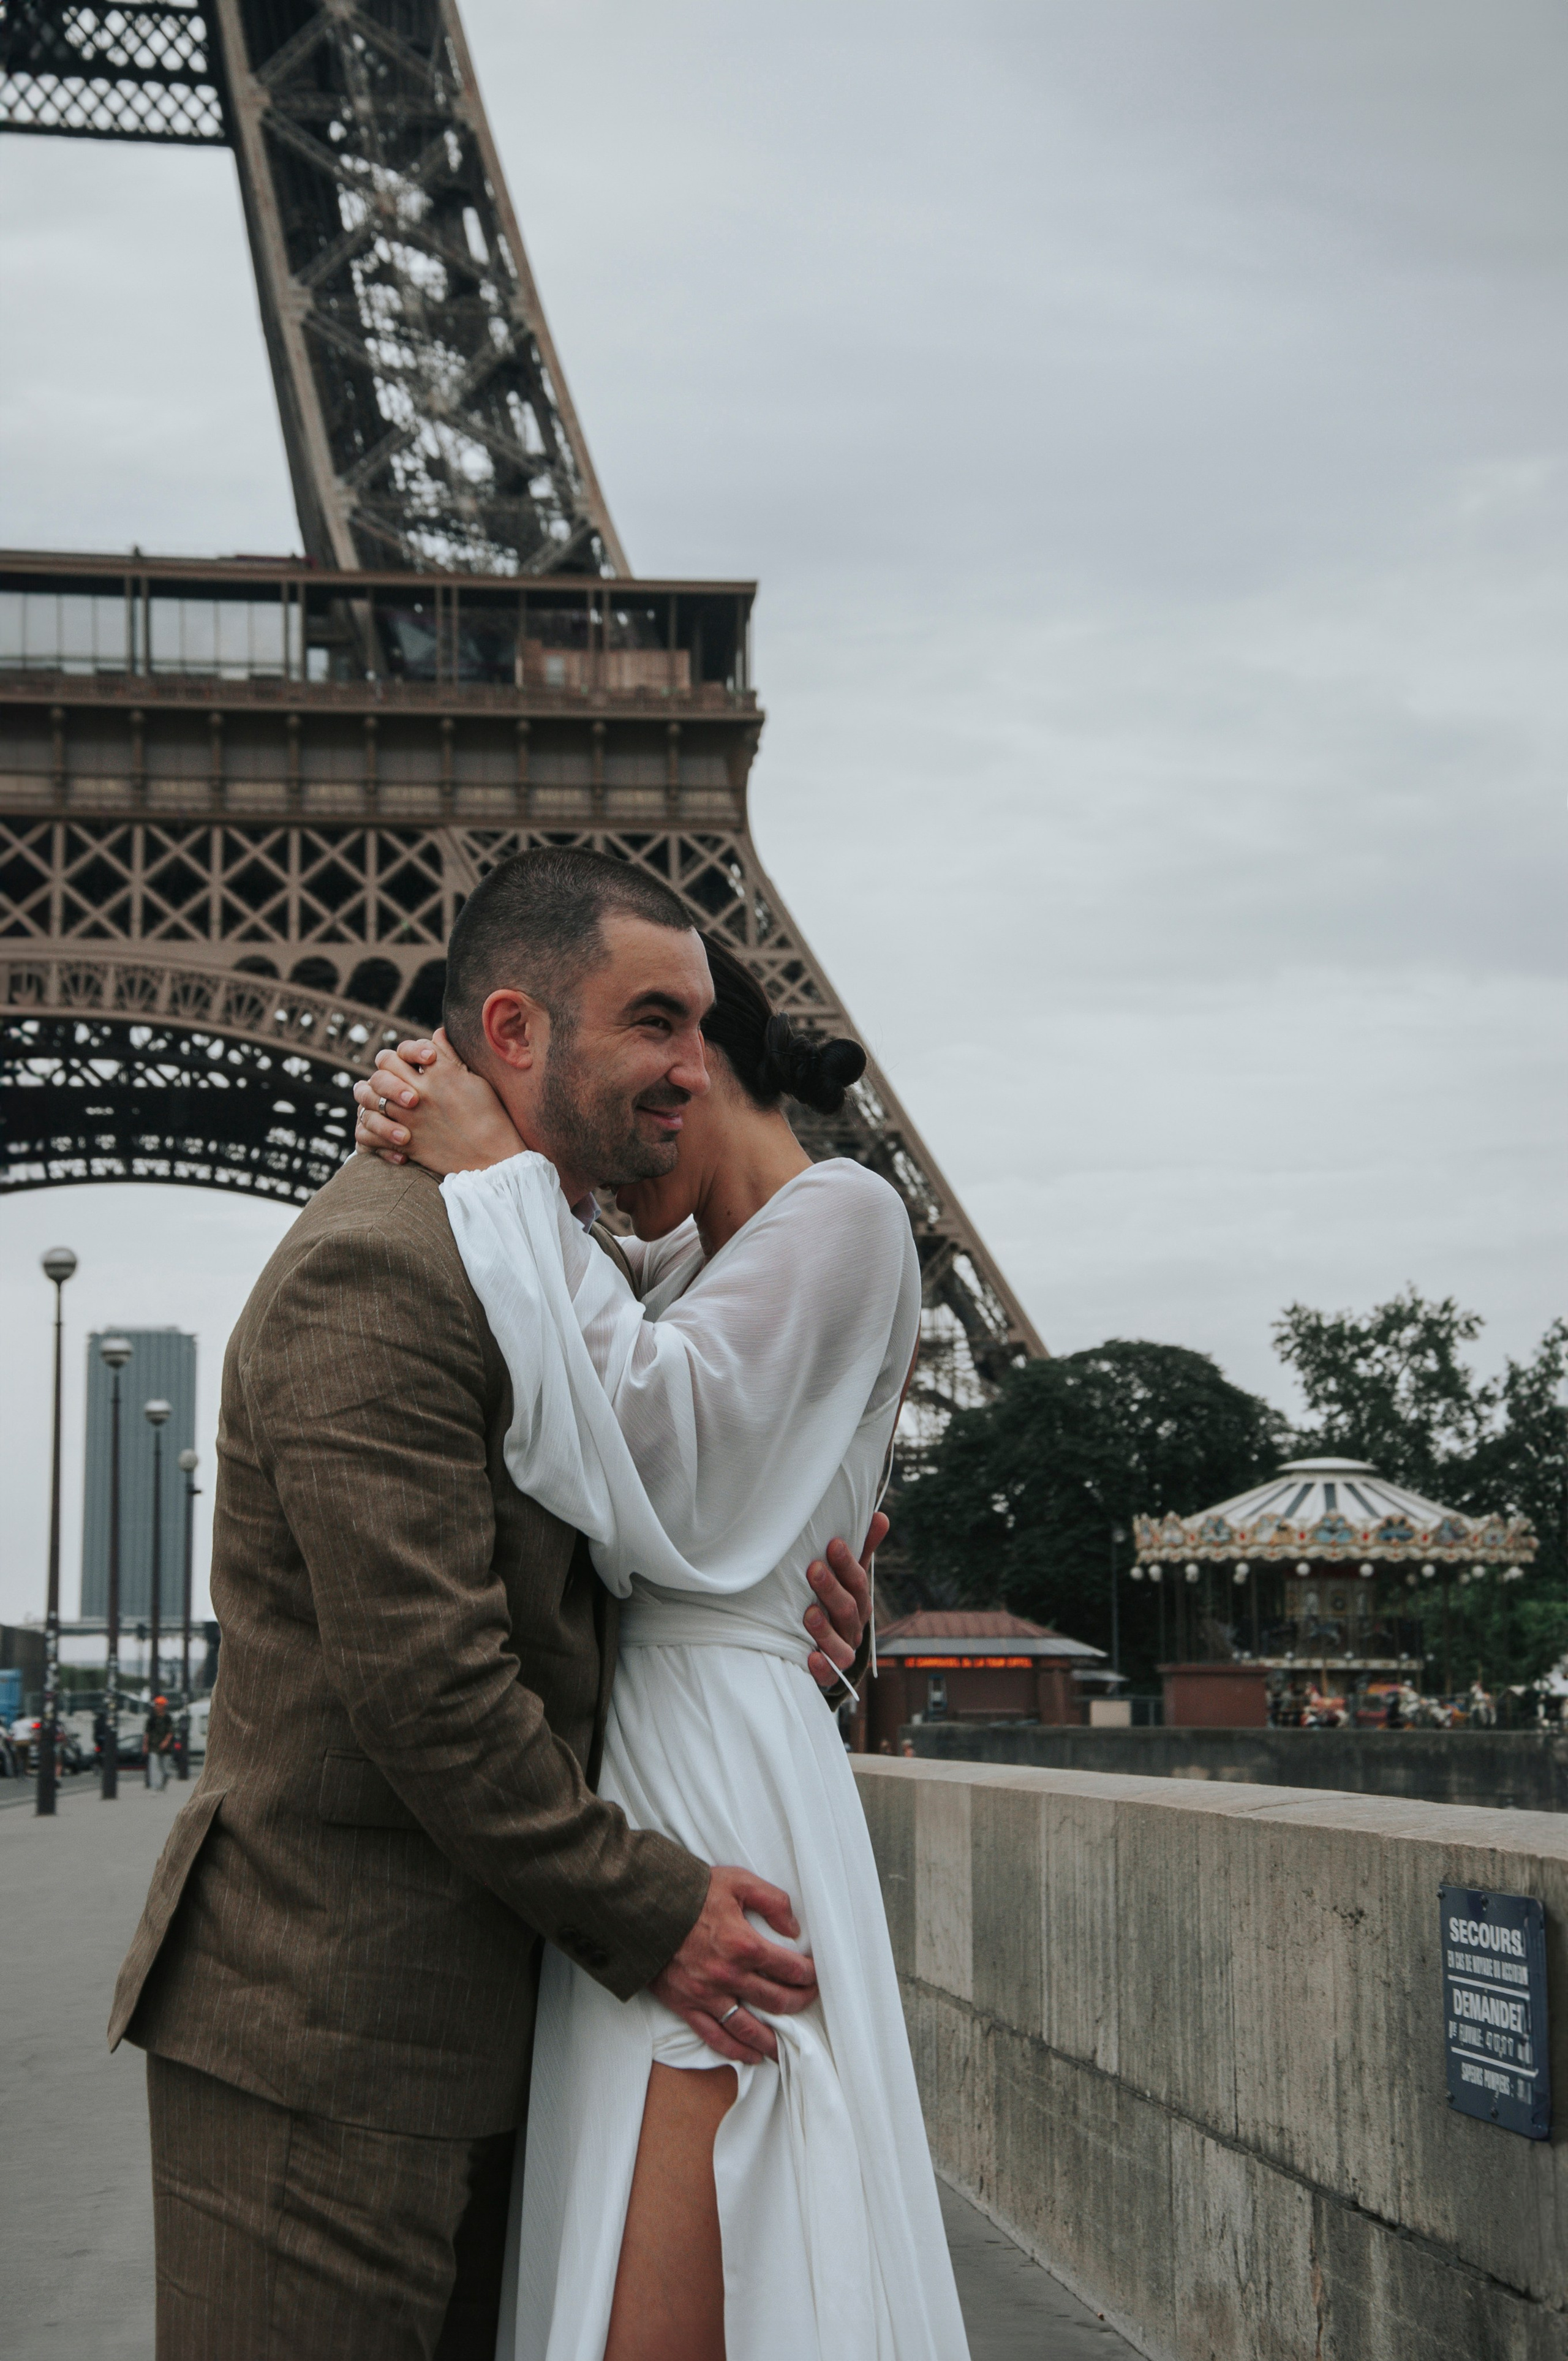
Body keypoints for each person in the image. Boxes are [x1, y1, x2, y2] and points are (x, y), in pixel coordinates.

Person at [108, 849, 875, 2361]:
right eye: (653, 1021)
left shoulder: (543, 1257)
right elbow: (430, 1687)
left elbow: (683, 1496)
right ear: (512, 1032)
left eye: (702, 1026)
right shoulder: (379, 1268)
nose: (692, 1065)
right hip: (327, 2041)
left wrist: (812, 1583)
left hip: (496, 2020)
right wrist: (659, 1911)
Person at [353, 927, 970, 2361]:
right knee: (693, 2138)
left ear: (702, 1080)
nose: (617, 1183)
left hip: (711, 1760)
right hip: (671, 1743)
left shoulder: (849, 1211)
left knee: (715, 2124)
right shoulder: (706, 1261)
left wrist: (495, 1176)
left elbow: (654, 1445)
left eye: (649, 1118)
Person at [144, 1695, 175, 1791]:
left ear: (163, 1706)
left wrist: (166, 1742)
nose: (156, 1707)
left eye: (158, 1705)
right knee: (154, 1767)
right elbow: (147, 1733)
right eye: (156, 1705)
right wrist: (145, 1745)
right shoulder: (151, 1719)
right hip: (153, 1746)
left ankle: (164, 1780)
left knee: (165, 1769)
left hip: (166, 1748)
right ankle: (156, 1786)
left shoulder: (168, 1719)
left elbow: (171, 1732)